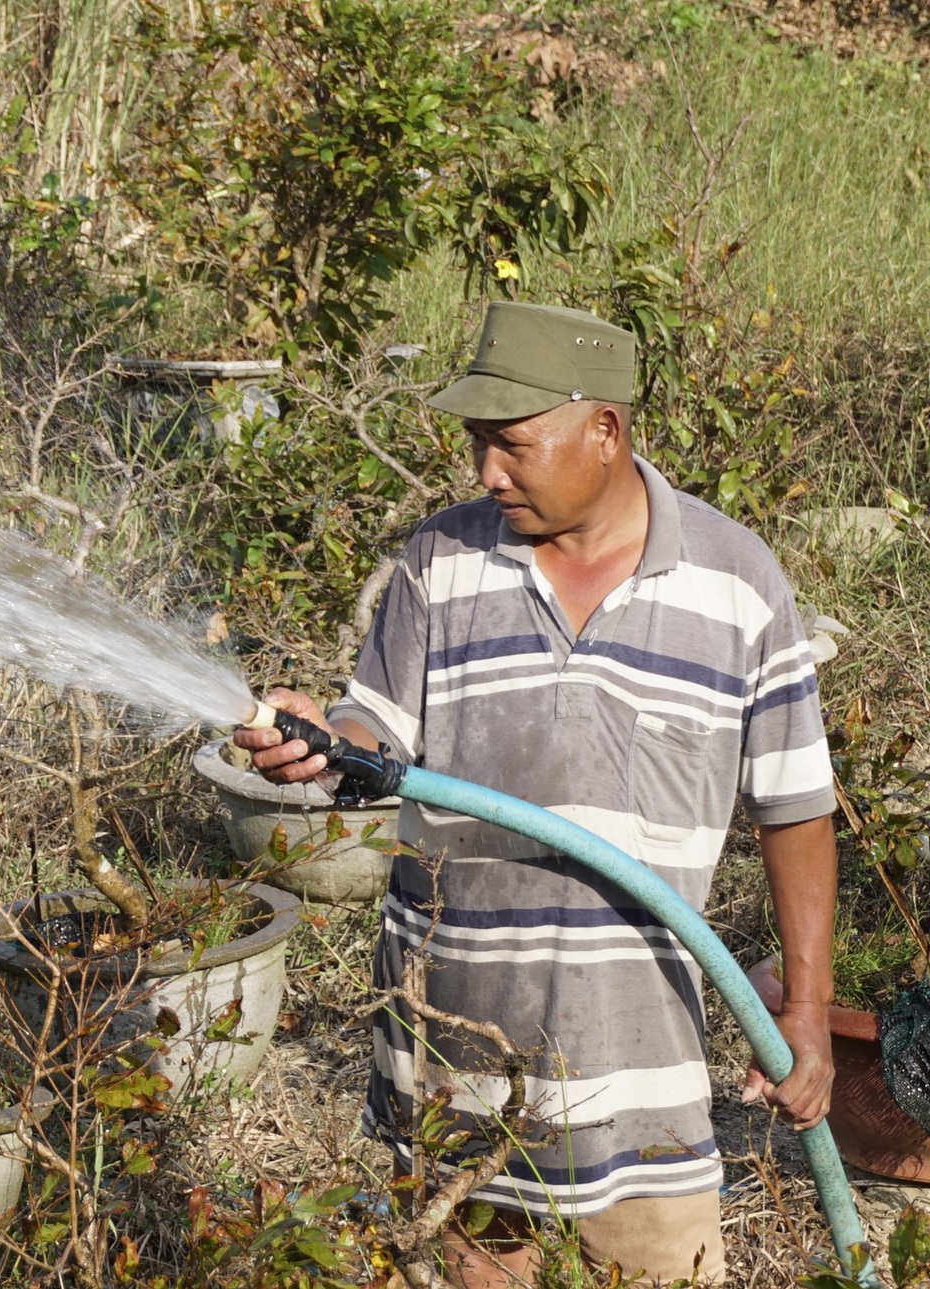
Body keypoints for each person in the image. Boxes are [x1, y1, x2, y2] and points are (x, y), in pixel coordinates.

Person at [235, 302, 838, 1286]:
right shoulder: (440, 561)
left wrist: (806, 1016)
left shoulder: (738, 586)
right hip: (457, 1059)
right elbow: (374, 732)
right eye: (476, 442)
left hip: (642, 1076)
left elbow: (795, 809)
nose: (486, 471)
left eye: (511, 443)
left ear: (604, 428)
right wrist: (322, 744)